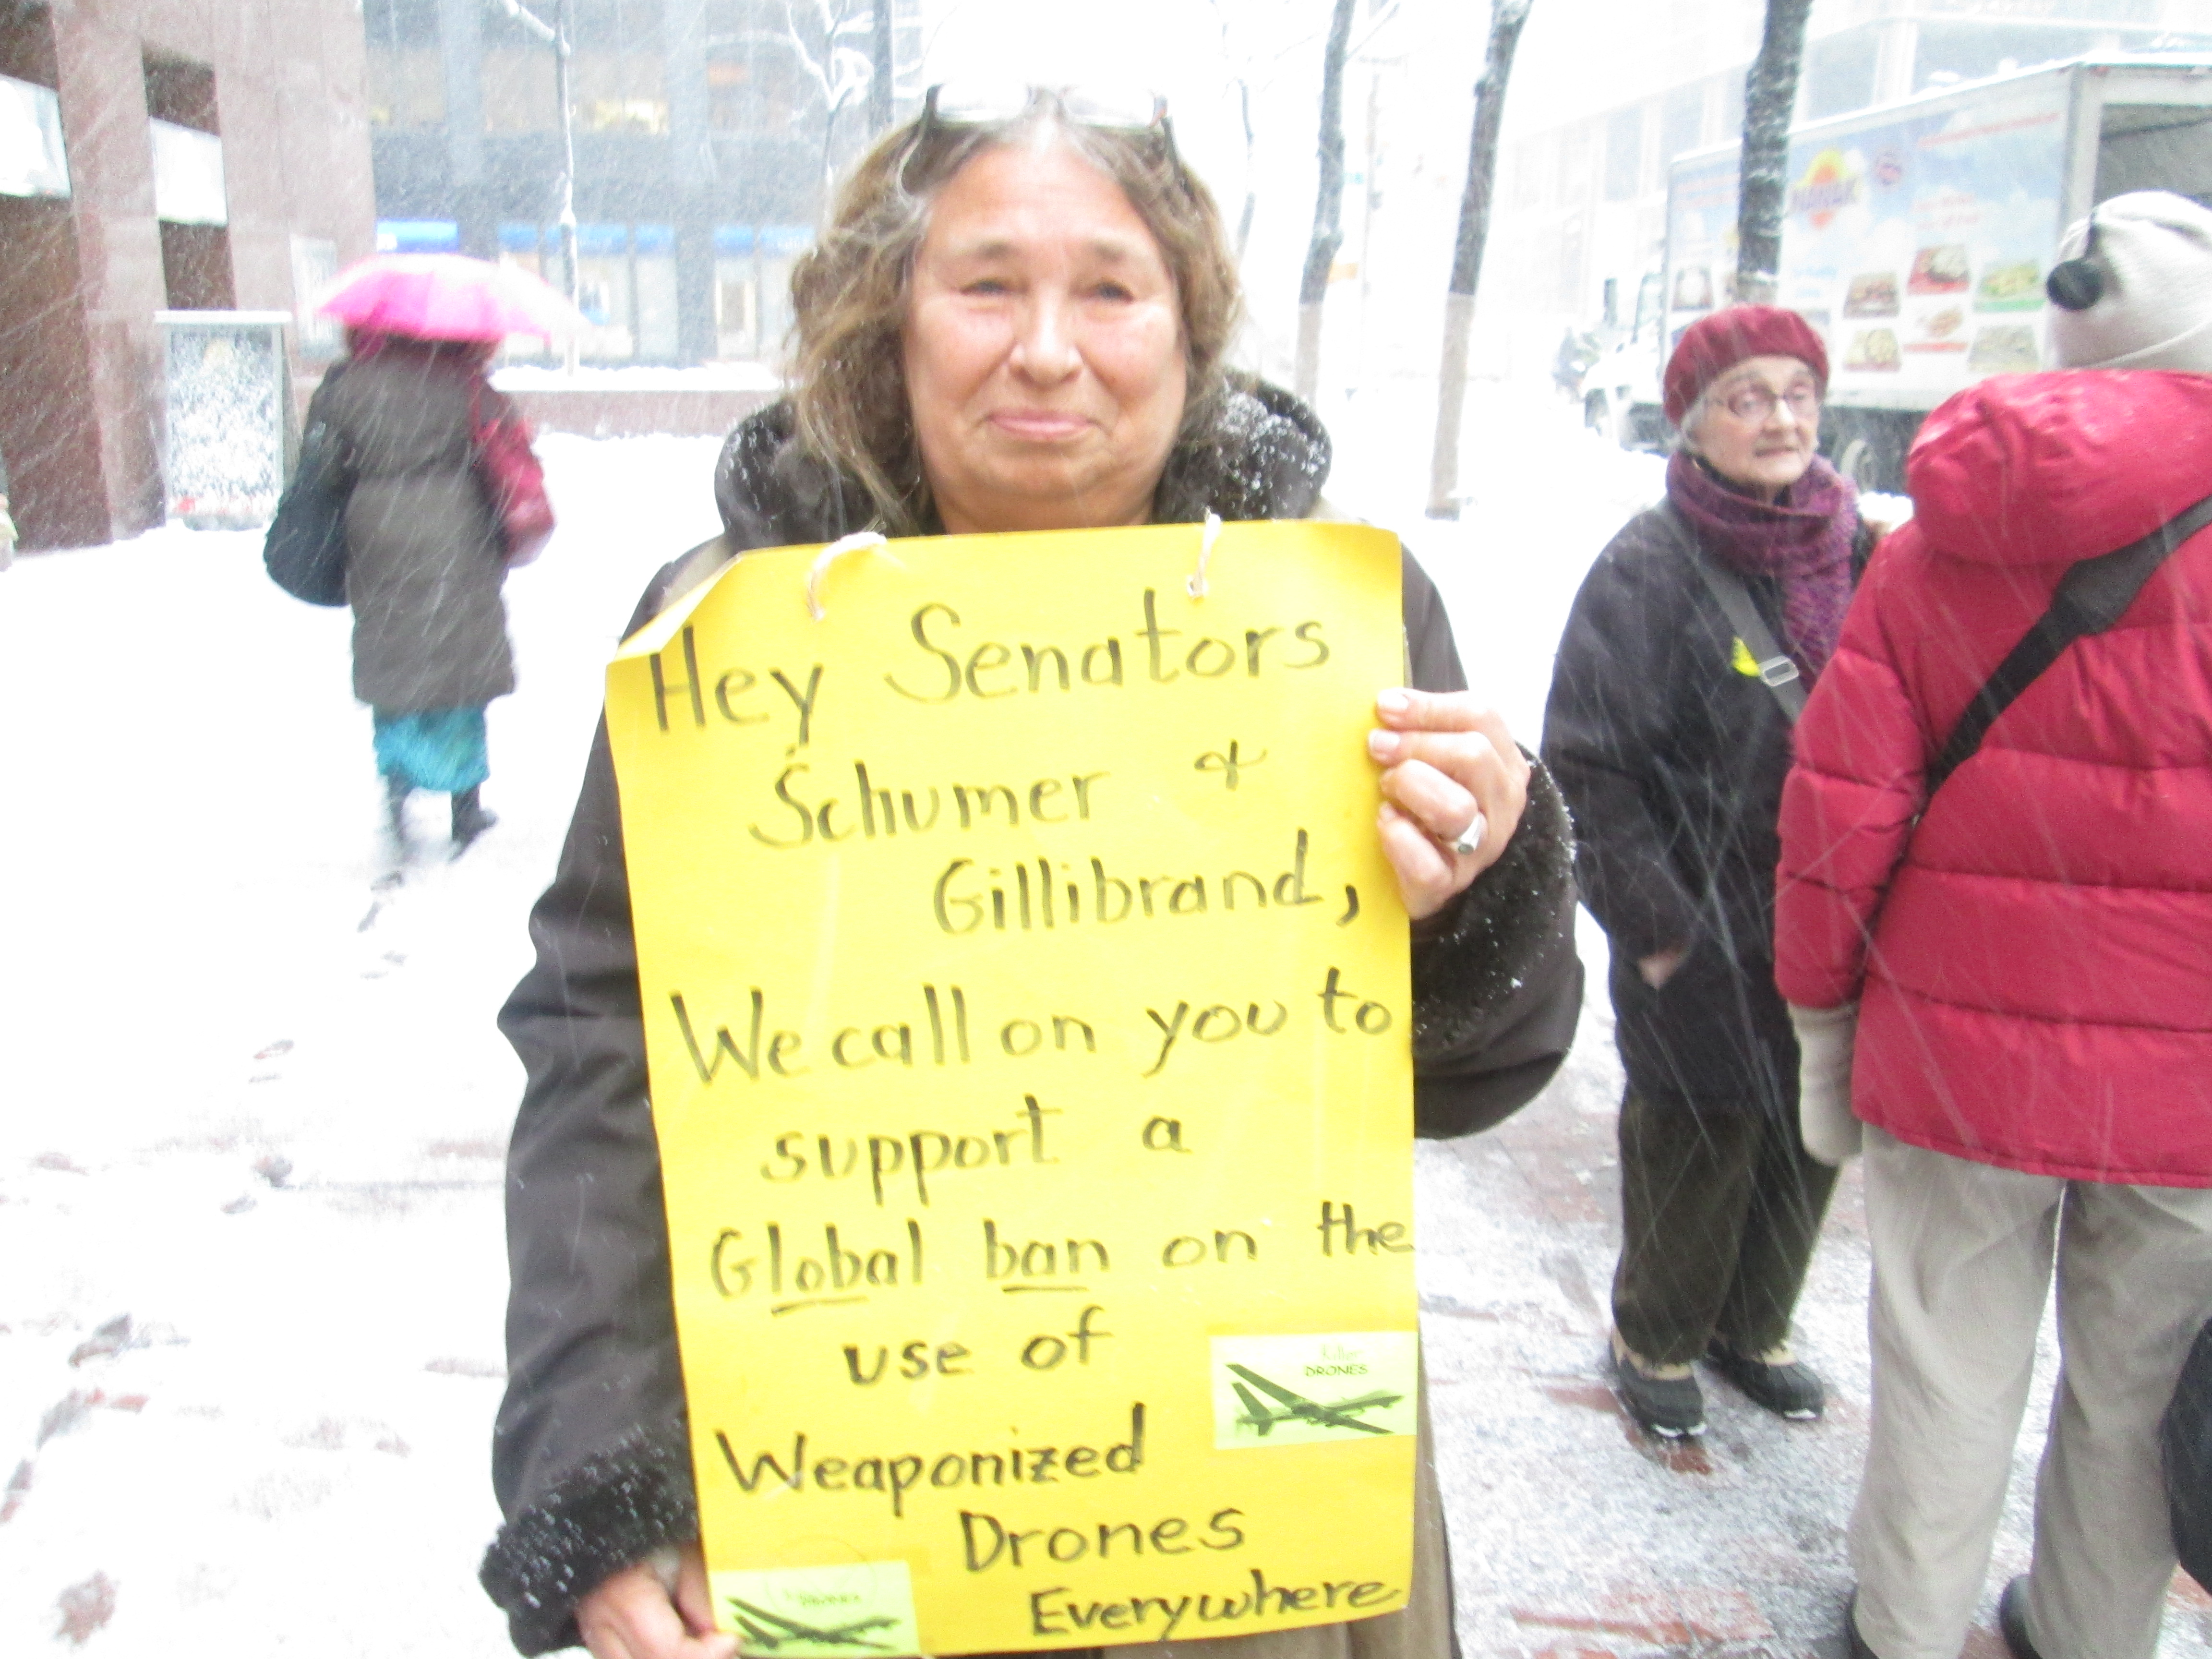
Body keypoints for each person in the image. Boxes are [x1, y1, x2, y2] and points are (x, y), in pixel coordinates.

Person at [479, 87, 1584, 1659]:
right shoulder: (719, 635)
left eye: (1111, 290)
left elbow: (1474, 1072)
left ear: (1189, 335)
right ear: (889, 322)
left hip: (1241, 1520)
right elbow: (603, 1040)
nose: (1049, 350)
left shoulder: (1334, 622)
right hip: (845, 1479)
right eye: (987, 284)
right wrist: (604, 1467)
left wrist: (1482, 887)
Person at [1774, 190, 2212, 1659]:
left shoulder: (1942, 536)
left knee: (1944, 1376)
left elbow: (1840, 814)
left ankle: (1903, 1630)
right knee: (2138, 1395)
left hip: (1956, 1050)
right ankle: (2087, 1635)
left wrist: (1823, 1018)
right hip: (2198, 1081)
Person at [1542, 306, 1875, 1440]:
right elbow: (1588, 765)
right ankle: (1659, 1334)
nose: (1780, 418)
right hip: (1701, 915)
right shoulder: (1650, 565)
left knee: (1809, 1130)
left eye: (1797, 394)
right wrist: (1659, 928)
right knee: (1699, 1131)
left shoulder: (1859, 551)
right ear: (1690, 423)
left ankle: (1752, 1325)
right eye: (1747, 398)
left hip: (1835, 912)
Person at [306, 326, 518, 849]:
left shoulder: (347, 388)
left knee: (395, 658)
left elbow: (324, 468)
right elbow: (504, 454)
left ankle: (398, 795)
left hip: (377, 532)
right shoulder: (465, 383)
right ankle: (464, 807)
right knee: (458, 662)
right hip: (456, 527)